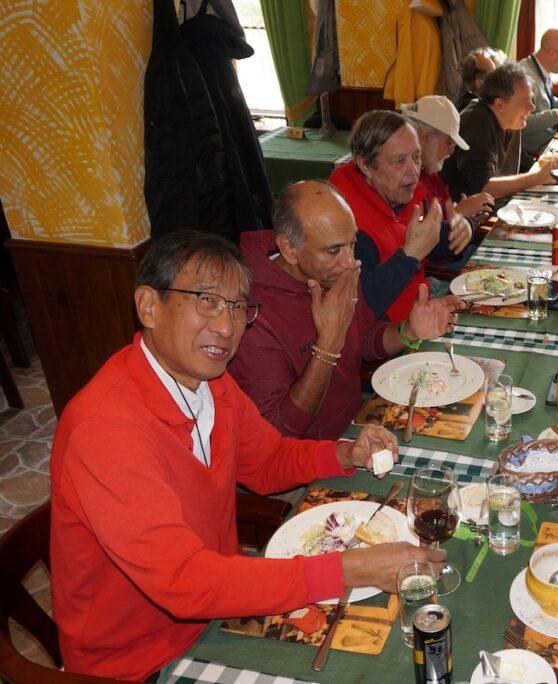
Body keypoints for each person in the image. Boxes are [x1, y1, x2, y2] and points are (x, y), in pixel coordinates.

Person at [49, 230, 445, 681]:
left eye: (238, 307)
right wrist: (350, 569)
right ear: (149, 306)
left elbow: (265, 462)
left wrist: (344, 454)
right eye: (206, 301)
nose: (226, 326)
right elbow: (184, 583)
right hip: (142, 660)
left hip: (219, 607)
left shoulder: (210, 382)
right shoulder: (106, 429)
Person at [230, 180, 465, 440]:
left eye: (352, 244)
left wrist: (408, 331)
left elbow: (364, 340)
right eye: (333, 251)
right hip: (313, 455)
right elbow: (280, 430)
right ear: (289, 249)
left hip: (359, 427)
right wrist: (327, 345)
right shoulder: (251, 316)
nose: (350, 262)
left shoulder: (333, 272)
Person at [329, 110, 473, 322]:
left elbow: (431, 243)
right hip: (391, 331)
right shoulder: (343, 223)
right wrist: (409, 256)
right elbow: (358, 306)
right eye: (399, 161)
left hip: (421, 301)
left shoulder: (400, 192)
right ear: (366, 165)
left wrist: (463, 227)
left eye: (416, 157)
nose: (414, 170)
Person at [441, 62, 558, 202]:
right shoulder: (476, 121)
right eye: (525, 100)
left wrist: (546, 169)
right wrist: (536, 178)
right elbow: (483, 188)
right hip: (465, 212)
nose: (532, 107)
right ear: (499, 104)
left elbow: (514, 162)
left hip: (498, 206)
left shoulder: (510, 120)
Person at [402, 94, 494, 221]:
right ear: (426, 138)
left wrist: (468, 220)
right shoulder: (405, 180)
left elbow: (444, 215)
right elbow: (416, 231)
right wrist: (458, 213)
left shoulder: (431, 173)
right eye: (449, 142)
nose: (452, 151)